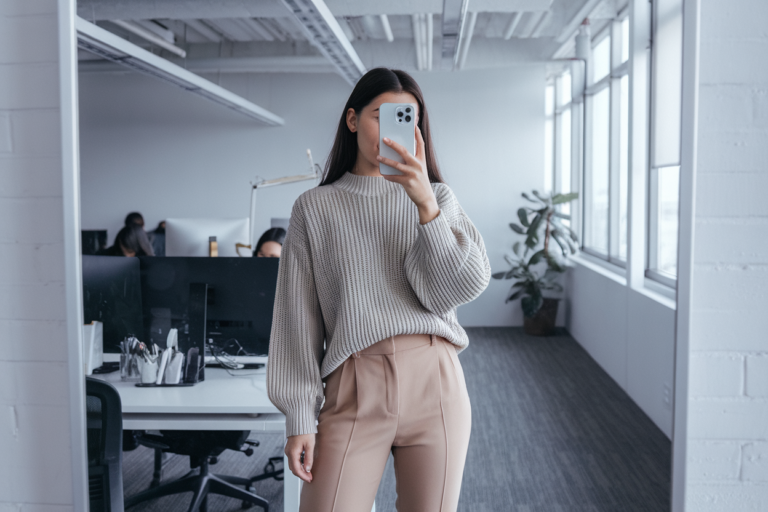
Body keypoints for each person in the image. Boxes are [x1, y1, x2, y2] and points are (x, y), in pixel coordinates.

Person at [267, 68, 491, 511]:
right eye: (380, 116)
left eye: (406, 118)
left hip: (436, 380)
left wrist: (424, 203)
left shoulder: (439, 198)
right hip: (353, 382)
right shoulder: (315, 207)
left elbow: (459, 286)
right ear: (352, 120)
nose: (392, 131)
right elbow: (297, 320)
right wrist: (298, 418)